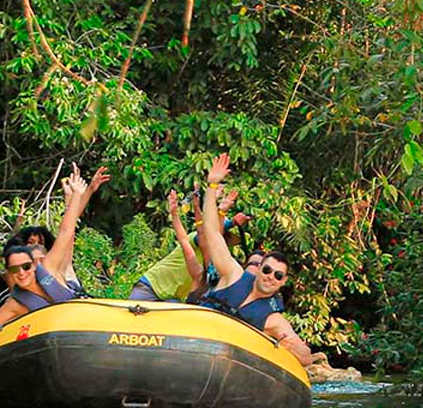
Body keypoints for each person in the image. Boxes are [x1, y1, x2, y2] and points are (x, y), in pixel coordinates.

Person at [0, 166, 109, 345]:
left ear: (34, 266)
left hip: (85, 329)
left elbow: (66, 231)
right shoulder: (16, 303)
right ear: (8, 273)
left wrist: (78, 195)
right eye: (14, 269)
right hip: (55, 343)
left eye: (26, 267)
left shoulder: (50, 267)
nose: (21, 273)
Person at [197, 153, 313, 366]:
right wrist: (212, 188)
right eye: (267, 270)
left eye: (278, 276)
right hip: (198, 337)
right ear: (259, 269)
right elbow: (212, 232)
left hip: (225, 360)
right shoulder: (232, 274)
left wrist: (292, 348)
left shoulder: (273, 320)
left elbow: (306, 357)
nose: (271, 277)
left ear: (282, 282)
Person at [128, 189, 246, 302]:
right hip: (152, 286)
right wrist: (224, 217)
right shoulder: (197, 241)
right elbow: (199, 234)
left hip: (172, 298)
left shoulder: (207, 273)